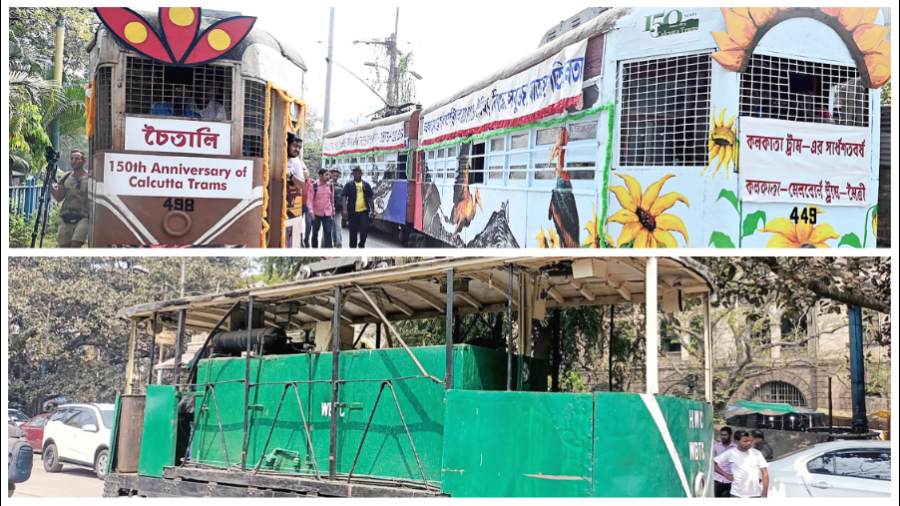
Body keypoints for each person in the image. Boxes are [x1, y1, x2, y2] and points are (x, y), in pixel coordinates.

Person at [51, 150, 91, 248]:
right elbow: (59, 197)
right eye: (72, 158)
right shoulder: (66, 177)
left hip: (83, 216)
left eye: (77, 158)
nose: (74, 161)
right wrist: (49, 185)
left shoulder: (91, 177)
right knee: (64, 246)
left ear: (83, 161)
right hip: (66, 216)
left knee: (75, 244)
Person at [714, 430, 769, 498]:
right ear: (736, 442)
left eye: (750, 441)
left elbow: (765, 473)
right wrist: (726, 475)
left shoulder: (757, 453)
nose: (749, 443)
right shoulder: (731, 453)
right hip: (736, 494)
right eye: (745, 441)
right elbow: (713, 464)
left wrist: (765, 492)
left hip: (755, 494)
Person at [343, 166, 374, 248]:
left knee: (364, 230)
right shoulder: (349, 185)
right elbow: (344, 197)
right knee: (353, 231)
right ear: (353, 174)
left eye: (358, 173)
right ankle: (353, 247)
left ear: (361, 174)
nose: (356, 175)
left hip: (364, 211)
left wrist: (373, 211)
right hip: (353, 212)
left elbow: (370, 198)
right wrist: (345, 210)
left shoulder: (366, 185)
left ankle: (361, 244)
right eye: (355, 173)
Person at [309, 169, 335, 248]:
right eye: (326, 175)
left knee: (328, 232)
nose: (328, 177)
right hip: (316, 214)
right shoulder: (314, 186)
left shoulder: (330, 186)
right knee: (315, 232)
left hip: (327, 213)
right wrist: (311, 212)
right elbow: (310, 200)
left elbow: (332, 199)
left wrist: (333, 211)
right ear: (320, 175)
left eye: (328, 175)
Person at [713, 426, 735, 497]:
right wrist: (725, 475)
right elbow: (712, 464)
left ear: (730, 435)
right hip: (717, 479)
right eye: (721, 435)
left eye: (725, 435)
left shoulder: (735, 448)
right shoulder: (715, 447)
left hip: (731, 481)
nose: (723, 437)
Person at [330, 168, 344, 248]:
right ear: (331, 174)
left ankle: (338, 243)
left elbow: (343, 198)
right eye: (334, 174)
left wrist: (344, 209)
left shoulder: (340, 185)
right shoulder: (327, 184)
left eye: (337, 174)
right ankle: (331, 243)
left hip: (338, 209)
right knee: (331, 227)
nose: (335, 176)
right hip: (329, 209)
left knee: (338, 226)